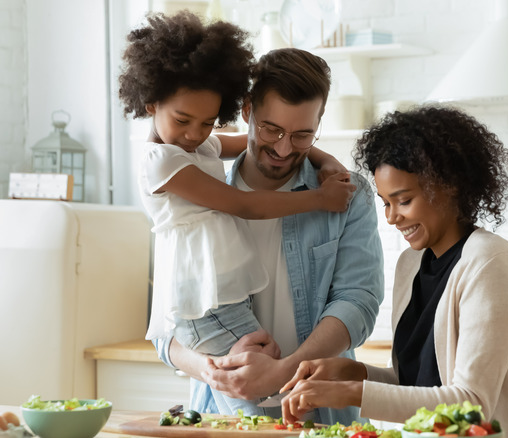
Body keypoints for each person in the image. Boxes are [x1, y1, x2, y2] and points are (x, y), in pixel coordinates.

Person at [118, 12, 357, 415]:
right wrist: (318, 199)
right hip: (202, 300)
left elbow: (249, 143)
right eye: (183, 120)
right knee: (257, 395)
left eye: (208, 121)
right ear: (151, 102)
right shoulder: (161, 162)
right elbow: (243, 205)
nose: (196, 133)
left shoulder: (198, 145)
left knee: (260, 387)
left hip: (223, 298)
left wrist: (325, 157)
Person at [278, 105, 508, 438]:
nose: (391, 217)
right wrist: (352, 373)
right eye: (386, 202)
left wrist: (351, 393)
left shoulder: (490, 264)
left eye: (404, 200)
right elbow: (415, 385)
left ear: (450, 185)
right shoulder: (411, 265)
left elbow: (470, 406)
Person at [153, 47, 384, 425]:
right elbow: (166, 326)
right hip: (219, 417)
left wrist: (285, 371)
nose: (282, 148)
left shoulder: (346, 196)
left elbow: (358, 302)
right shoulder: (189, 195)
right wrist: (212, 370)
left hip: (324, 416)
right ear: (247, 112)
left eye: (302, 135)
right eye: (271, 129)